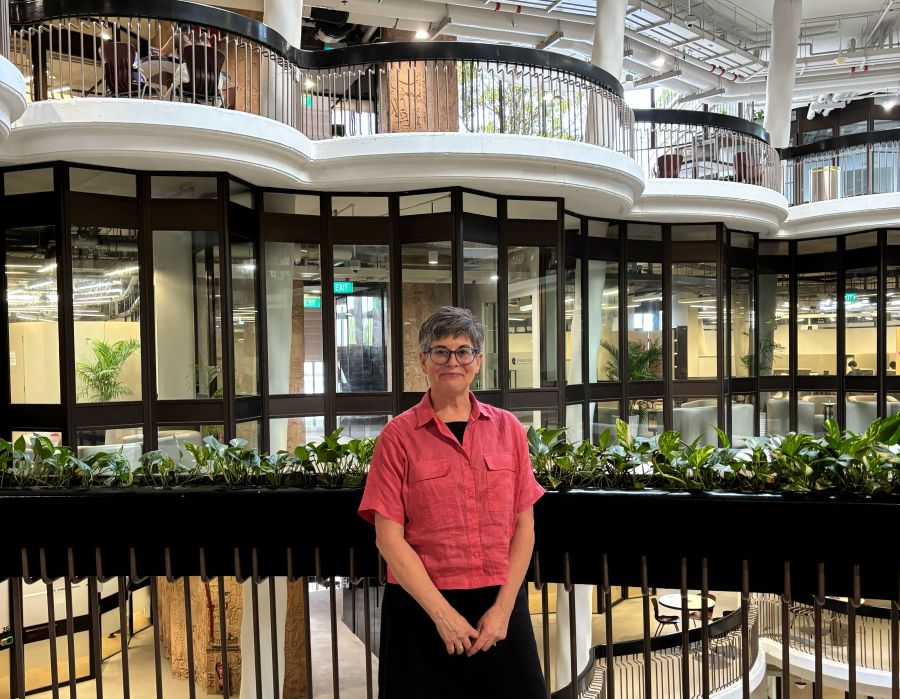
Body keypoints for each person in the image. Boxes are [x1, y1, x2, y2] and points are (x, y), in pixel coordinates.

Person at [358, 306, 546, 699]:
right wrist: (443, 617)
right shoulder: (397, 437)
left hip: (499, 604)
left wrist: (503, 611)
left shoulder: (509, 429)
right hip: (421, 610)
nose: (452, 361)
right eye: (440, 351)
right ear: (423, 360)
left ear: (478, 361)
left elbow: (524, 527)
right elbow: (388, 539)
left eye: (463, 351)